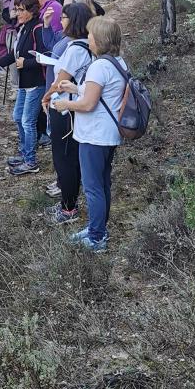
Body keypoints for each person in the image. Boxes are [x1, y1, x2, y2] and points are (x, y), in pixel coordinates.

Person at [52, 16, 128, 252]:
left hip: (94, 136)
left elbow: (88, 105)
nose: (89, 39)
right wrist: (75, 88)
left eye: (91, 35)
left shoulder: (98, 66)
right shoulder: (118, 62)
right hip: (108, 134)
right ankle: (98, 228)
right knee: (102, 183)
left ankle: (96, 237)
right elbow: (101, 94)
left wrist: (65, 105)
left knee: (93, 187)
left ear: (101, 39)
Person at [40, 3, 94, 224]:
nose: (60, 22)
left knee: (64, 159)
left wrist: (46, 96)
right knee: (70, 157)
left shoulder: (75, 49)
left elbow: (60, 80)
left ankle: (68, 209)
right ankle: (68, 202)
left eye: (63, 18)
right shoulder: (89, 46)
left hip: (65, 111)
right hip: (75, 109)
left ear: (73, 21)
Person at [0, 0, 46, 175]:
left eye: (21, 10)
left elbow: (44, 57)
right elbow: (14, 54)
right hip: (24, 83)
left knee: (28, 121)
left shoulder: (38, 29)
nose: (17, 13)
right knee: (17, 117)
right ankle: (24, 153)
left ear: (31, 10)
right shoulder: (23, 28)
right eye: (16, 9)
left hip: (36, 83)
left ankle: (31, 161)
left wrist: (27, 63)